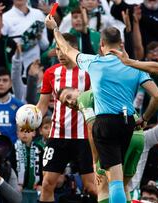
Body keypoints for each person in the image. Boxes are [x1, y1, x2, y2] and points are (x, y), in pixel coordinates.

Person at [45, 14, 158, 202]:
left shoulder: (93, 62)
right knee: (122, 181)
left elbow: (66, 49)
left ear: (101, 45)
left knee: (113, 180)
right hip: (128, 123)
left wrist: (55, 28)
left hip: (104, 122)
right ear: (121, 44)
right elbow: (157, 96)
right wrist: (145, 118)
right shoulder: (134, 67)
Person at [36, 33, 96, 203]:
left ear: (73, 50)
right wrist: (33, 121)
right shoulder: (50, 73)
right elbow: (42, 105)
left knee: (91, 187)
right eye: (57, 49)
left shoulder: (88, 73)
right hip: (57, 136)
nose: (60, 54)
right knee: (47, 184)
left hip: (84, 137)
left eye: (63, 50)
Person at [10, 127, 44, 191]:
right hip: (17, 186)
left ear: (34, 133)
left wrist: (40, 183)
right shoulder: (13, 148)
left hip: (36, 187)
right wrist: (15, 183)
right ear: (17, 133)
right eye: (21, 131)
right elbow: (11, 168)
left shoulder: (39, 149)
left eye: (28, 131)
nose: (25, 133)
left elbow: (42, 168)